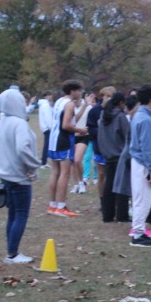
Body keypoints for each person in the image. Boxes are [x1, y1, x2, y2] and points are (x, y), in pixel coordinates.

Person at [0, 88, 43, 264]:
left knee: (13, 214)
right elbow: (22, 148)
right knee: (21, 214)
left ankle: (11, 250)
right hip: (19, 176)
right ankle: (13, 253)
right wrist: (34, 165)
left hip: (6, 174)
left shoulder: (3, 122)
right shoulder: (19, 124)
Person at [47, 80, 87, 217]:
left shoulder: (60, 101)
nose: (81, 93)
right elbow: (66, 125)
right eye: (79, 90)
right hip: (64, 140)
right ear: (73, 91)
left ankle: (52, 206)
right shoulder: (69, 104)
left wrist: (84, 106)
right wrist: (79, 130)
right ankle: (61, 207)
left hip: (53, 141)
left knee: (55, 172)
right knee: (65, 174)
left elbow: (71, 119)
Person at [128, 84, 151, 247]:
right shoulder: (146, 120)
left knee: (139, 198)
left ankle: (138, 231)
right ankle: (138, 234)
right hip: (143, 164)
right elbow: (147, 148)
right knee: (143, 200)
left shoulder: (138, 116)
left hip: (137, 162)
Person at [97, 93, 130, 223]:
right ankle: (122, 215)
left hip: (108, 155)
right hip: (120, 155)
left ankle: (107, 215)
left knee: (109, 185)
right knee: (122, 186)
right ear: (121, 103)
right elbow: (128, 135)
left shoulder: (104, 116)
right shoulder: (120, 117)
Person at [36, 91, 54, 164]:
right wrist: (51, 128)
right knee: (47, 146)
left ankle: (44, 161)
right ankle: (44, 162)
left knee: (47, 145)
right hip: (48, 128)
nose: (51, 97)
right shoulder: (45, 106)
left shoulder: (44, 105)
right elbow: (48, 118)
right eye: (49, 95)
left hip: (45, 128)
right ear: (46, 96)